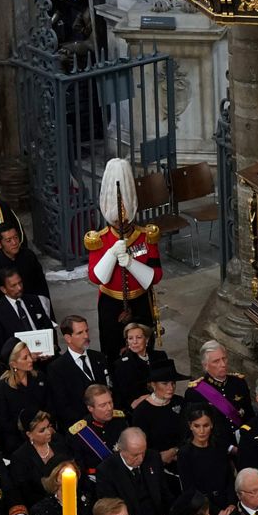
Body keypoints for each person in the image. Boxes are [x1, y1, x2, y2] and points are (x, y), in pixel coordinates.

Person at [84, 159, 162, 363]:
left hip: (139, 301)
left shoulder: (146, 235)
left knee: (145, 348)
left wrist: (130, 263)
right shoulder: (99, 239)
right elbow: (95, 277)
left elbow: (156, 276)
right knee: (112, 348)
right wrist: (111, 254)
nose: (121, 222)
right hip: (111, 303)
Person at [94, 426, 171, 515]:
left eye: (143, 453)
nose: (140, 459)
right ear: (121, 450)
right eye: (135, 455)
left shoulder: (153, 458)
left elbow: (165, 495)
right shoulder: (107, 471)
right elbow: (114, 514)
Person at [183, 339, 251, 450]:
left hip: (243, 443)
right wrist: (229, 448)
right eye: (216, 361)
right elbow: (194, 429)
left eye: (224, 359)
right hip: (215, 448)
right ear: (205, 365)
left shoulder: (239, 383)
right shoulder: (195, 392)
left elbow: (249, 415)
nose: (223, 364)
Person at [44, 314, 109, 429]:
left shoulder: (99, 357)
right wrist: (89, 422)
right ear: (68, 338)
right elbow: (62, 406)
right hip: (80, 429)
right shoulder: (57, 368)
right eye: (80, 333)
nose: (86, 336)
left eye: (86, 331)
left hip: (108, 422)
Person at [0, 223, 52, 315]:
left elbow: (41, 284)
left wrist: (43, 304)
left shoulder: (28, 256)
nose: (14, 243)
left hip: (32, 304)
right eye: (8, 240)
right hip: (6, 311)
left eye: (16, 237)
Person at [9, 408, 74, 511]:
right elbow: (26, 493)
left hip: (70, 499)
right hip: (43, 508)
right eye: (42, 430)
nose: (49, 432)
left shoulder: (59, 441)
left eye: (49, 426)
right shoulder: (20, 457)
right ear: (29, 434)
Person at [0, 338, 48, 456]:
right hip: (18, 441)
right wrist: (29, 434)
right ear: (13, 364)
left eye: (29, 355)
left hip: (43, 432)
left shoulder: (39, 377)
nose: (30, 359)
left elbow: (49, 406)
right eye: (25, 358)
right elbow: (3, 422)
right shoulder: (2, 388)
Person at [177, 405, 236, 515]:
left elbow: (229, 479)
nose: (202, 431)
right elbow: (190, 490)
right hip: (203, 510)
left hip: (227, 506)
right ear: (190, 426)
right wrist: (217, 511)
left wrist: (232, 504)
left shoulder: (219, 447)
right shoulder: (185, 454)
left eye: (206, 425)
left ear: (212, 425)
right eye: (197, 426)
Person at [129, 356, 185, 472]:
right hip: (156, 467)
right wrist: (159, 457)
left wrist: (175, 450)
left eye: (173, 383)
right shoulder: (142, 412)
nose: (171, 388)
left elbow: (190, 431)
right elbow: (140, 446)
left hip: (184, 459)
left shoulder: (180, 402)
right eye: (165, 383)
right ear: (153, 385)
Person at [69, 383, 128, 480]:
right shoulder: (79, 433)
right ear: (90, 408)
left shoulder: (120, 421)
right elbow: (80, 469)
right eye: (103, 405)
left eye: (110, 402)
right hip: (98, 480)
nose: (109, 408)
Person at [0, 268, 54, 346]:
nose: (19, 288)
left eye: (20, 283)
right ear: (3, 289)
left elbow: (48, 325)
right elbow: (0, 342)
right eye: (13, 285)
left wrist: (52, 345)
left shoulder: (33, 300)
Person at [111, 322, 154, 411]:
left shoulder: (160, 356)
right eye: (130, 338)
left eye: (138, 337)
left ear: (146, 339)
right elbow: (122, 397)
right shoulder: (121, 365)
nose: (134, 342)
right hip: (139, 410)